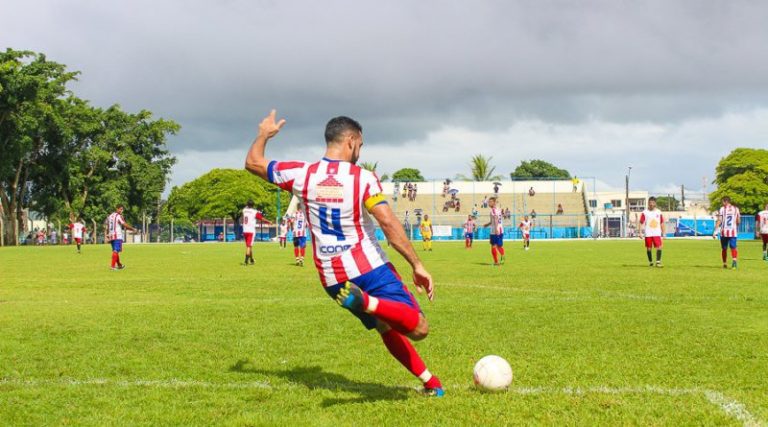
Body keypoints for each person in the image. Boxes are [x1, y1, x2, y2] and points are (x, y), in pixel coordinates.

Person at [245, 111, 443, 397]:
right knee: (419, 327)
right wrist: (417, 264)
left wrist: (264, 134)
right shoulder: (363, 178)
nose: (359, 153)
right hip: (370, 267)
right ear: (351, 141)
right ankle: (370, 303)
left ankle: (431, 383)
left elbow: (253, 163)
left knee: (384, 327)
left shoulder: (302, 174)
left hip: (334, 279)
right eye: (360, 147)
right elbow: (387, 222)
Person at [105, 204, 137, 270]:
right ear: (117, 208)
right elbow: (124, 224)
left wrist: (108, 234)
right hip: (117, 236)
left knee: (115, 251)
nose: (121, 211)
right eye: (120, 209)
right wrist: (133, 229)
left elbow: (107, 225)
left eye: (122, 209)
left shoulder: (110, 216)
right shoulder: (118, 216)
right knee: (116, 251)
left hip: (111, 235)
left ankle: (119, 265)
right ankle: (112, 267)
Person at [713, 196, 741, 269]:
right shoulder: (736, 209)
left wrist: (715, 231)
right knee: (733, 247)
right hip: (733, 232)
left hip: (724, 232)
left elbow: (719, 220)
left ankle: (725, 264)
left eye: (722, 202)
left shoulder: (722, 209)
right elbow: (738, 221)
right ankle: (734, 262)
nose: (722, 203)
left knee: (724, 248)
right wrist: (735, 225)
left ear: (725, 202)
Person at [639, 197, 665, 267]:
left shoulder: (659, 212)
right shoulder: (645, 212)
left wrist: (664, 233)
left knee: (659, 247)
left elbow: (662, 223)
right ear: (648, 203)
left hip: (657, 233)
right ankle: (650, 262)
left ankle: (658, 262)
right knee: (649, 248)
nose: (651, 204)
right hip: (648, 233)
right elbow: (641, 222)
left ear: (655, 203)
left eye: (653, 203)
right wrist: (640, 232)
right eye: (650, 203)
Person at [242, 200, 269, 265]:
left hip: (245, 230)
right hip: (251, 230)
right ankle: (246, 261)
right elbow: (261, 218)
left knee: (249, 246)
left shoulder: (244, 210)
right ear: (253, 205)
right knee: (249, 246)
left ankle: (251, 259)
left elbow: (246, 208)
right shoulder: (254, 212)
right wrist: (268, 221)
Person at [483, 197, 506, 266]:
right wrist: (487, 224)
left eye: (490, 202)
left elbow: (496, 219)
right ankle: (503, 256)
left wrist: (496, 229)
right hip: (501, 229)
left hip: (495, 231)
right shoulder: (498, 210)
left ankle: (496, 262)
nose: (489, 203)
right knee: (499, 246)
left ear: (494, 202)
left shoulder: (493, 210)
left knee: (493, 246)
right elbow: (494, 220)